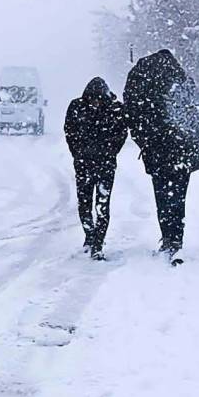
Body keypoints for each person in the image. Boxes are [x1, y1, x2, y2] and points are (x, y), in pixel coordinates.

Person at [123, 49, 199, 264]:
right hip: (183, 153)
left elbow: (134, 116)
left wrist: (145, 142)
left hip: (159, 154)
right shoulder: (182, 82)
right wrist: (197, 150)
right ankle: (176, 240)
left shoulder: (145, 83)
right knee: (178, 198)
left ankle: (168, 238)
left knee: (163, 197)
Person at [64, 77, 128, 260]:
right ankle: (89, 235)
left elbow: (122, 134)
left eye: (98, 99)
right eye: (92, 99)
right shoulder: (77, 107)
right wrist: (78, 153)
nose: (95, 103)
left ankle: (98, 243)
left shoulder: (115, 110)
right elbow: (69, 132)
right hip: (84, 164)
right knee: (84, 204)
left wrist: (109, 152)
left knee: (102, 205)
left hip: (104, 165)